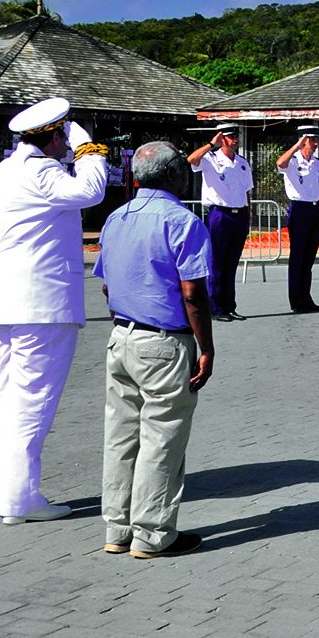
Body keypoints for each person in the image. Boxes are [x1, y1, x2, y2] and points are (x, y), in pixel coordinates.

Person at [0, 97, 110, 525]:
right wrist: (89, 148)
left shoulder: (2, 172)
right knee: (32, 399)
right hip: (42, 304)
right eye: (64, 137)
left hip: (6, 301)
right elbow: (90, 191)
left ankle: (0, 492)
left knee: (6, 397)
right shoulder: (41, 172)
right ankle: (21, 500)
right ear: (55, 136)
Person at [93, 141, 214, 559]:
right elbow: (193, 292)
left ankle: (117, 526)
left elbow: (107, 282)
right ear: (172, 175)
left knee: (121, 436)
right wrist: (206, 347)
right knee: (161, 437)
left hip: (122, 337)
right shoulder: (183, 221)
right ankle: (152, 532)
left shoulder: (116, 218)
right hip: (164, 341)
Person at [187, 127, 253, 320]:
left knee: (231, 264)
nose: (235, 140)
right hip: (219, 214)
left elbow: (247, 192)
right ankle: (215, 308)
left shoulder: (242, 163)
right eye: (231, 137)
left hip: (238, 214)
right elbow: (191, 160)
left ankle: (229, 305)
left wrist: (248, 218)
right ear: (221, 139)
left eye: (236, 136)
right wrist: (210, 144)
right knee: (216, 263)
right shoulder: (210, 159)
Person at [276, 125, 319, 313]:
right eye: (312, 139)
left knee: (309, 257)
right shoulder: (293, 161)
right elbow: (280, 163)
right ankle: (296, 300)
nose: (316, 143)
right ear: (303, 140)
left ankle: (306, 297)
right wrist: (296, 146)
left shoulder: (317, 163)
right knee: (298, 257)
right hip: (299, 209)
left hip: (313, 209)